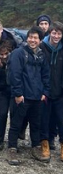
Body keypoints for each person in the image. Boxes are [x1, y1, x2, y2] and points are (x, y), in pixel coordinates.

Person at [6, 26, 50, 166]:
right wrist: (18, 93)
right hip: (22, 96)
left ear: (40, 40)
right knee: (16, 123)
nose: (32, 40)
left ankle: (36, 147)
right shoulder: (19, 53)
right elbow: (15, 74)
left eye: (35, 38)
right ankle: (12, 148)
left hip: (37, 96)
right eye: (30, 37)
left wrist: (45, 92)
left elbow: (46, 75)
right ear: (27, 38)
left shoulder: (42, 55)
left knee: (36, 124)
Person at [39, 22, 63, 160]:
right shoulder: (42, 47)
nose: (56, 36)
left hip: (60, 91)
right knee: (44, 119)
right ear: (50, 32)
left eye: (59, 33)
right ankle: (45, 144)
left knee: (61, 120)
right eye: (54, 33)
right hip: (45, 91)